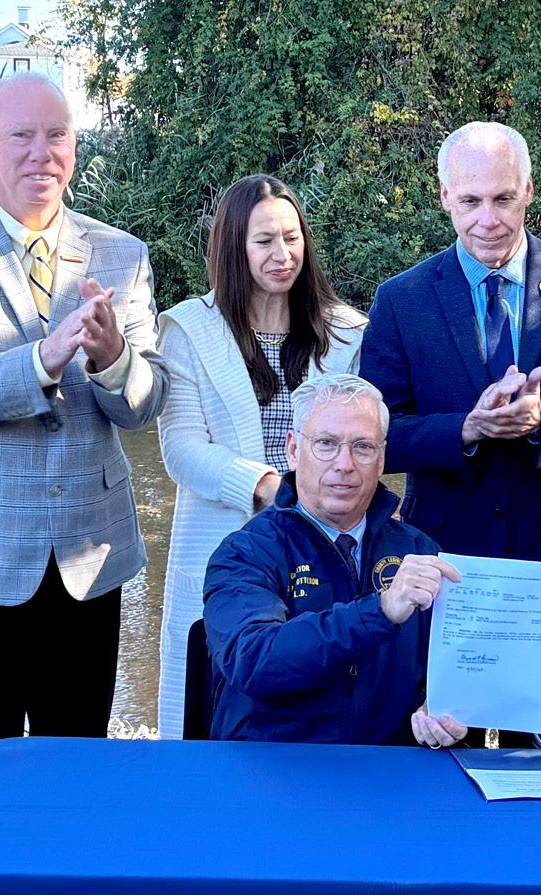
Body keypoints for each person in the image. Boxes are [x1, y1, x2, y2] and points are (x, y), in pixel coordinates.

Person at [0, 73, 169, 784]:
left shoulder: (123, 253)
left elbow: (143, 408)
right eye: (21, 135)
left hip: (87, 556)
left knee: (73, 777)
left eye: (57, 135)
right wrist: (42, 360)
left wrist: (113, 359)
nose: (41, 152)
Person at [360, 121, 541, 568]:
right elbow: (376, 436)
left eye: (504, 199)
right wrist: (466, 428)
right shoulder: (401, 300)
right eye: (471, 201)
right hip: (441, 549)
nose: (489, 220)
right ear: (445, 197)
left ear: (528, 190)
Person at [155, 173, 366, 738]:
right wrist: (268, 486)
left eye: (292, 238)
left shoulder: (347, 334)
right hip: (219, 543)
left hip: (318, 547)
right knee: (211, 713)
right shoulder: (188, 329)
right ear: (233, 248)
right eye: (264, 241)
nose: (283, 254)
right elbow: (181, 449)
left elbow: (361, 440)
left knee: (319, 702)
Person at [203, 374, 456, 744]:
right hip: (274, 765)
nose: (344, 464)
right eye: (326, 443)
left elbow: (455, 669)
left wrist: (442, 708)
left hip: (388, 768)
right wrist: (381, 610)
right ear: (293, 449)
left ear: (382, 459)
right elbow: (253, 660)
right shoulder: (246, 552)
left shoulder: (419, 551)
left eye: (363, 447)